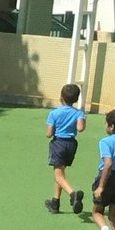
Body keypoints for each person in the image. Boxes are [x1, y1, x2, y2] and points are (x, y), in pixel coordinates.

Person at [43, 84, 86, 213]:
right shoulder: (79, 113)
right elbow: (80, 128)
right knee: (60, 173)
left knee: (59, 176)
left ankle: (73, 194)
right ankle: (55, 203)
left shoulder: (54, 113)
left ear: (61, 98)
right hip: (71, 144)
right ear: (76, 99)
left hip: (59, 144)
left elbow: (49, 134)